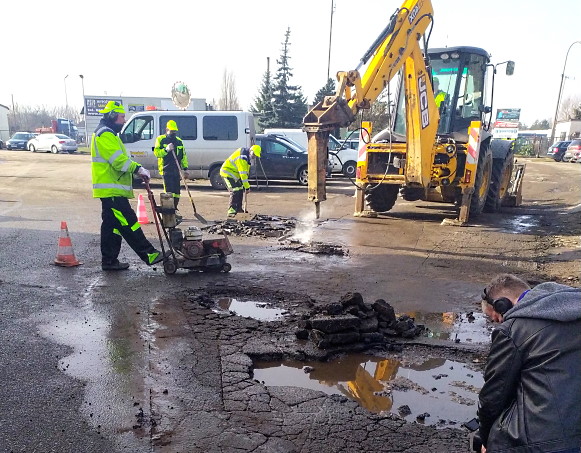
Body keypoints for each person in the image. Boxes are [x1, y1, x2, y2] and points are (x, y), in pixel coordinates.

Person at [478, 273, 581, 453]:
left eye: (495, 317)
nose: (497, 323)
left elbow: (494, 396)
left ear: (503, 304)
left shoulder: (515, 330)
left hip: (540, 442)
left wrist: (485, 438)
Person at [91, 101, 165, 271]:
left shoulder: (109, 134)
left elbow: (119, 160)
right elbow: (118, 161)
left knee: (112, 227)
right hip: (112, 191)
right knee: (129, 223)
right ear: (112, 116)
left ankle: (109, 261)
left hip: (112, 190)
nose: (124, 121)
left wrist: (135, 171)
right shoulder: (105, 135)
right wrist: (137, 169)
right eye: (122, 117)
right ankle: (149, 254)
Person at [153, 120, 188, 211]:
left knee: (177, 191)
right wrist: (166, 149)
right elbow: (157, 153)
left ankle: (175, 208)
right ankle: (168, 209)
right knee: (169, 191)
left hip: (177, 170)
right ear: (167, 129)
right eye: (171, 131)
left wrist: (185, 169)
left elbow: (183, 156)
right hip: (166, 169)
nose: (173, 133)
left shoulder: (179, 141)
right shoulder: (161, 139)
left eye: (174, 131)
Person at [220, 144, 261, 217]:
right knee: (235, 190)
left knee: (240, 189)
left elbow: (245, 173)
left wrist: (244, 186)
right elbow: (243, 174)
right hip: (227, 173)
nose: (254, 156)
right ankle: (231, 211)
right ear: (251, 151)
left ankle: (238, 209)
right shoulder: (242, 157)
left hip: (234, 175)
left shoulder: (246, 157)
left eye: (255, 155)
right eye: (254, 154)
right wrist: (247, 187)